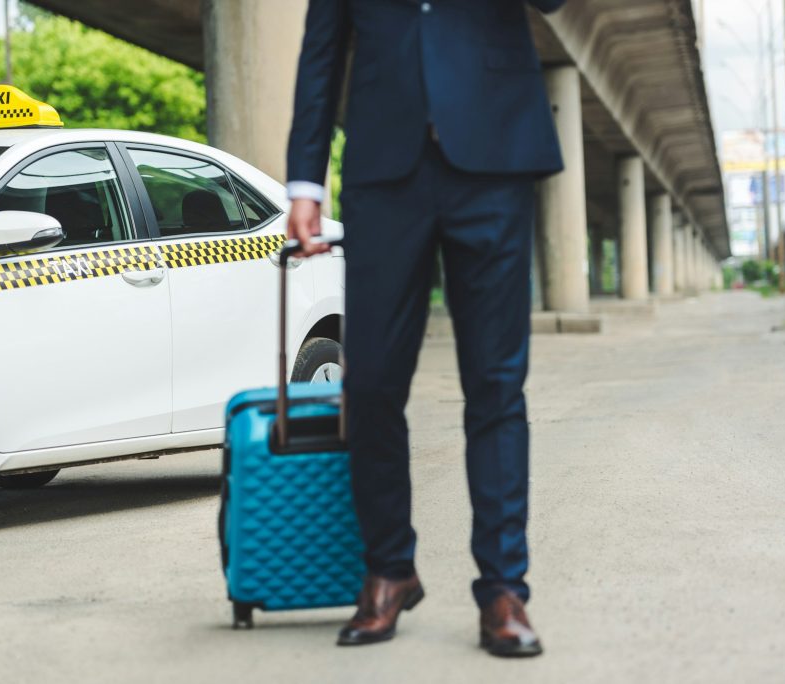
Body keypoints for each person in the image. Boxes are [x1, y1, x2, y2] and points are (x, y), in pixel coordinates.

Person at [285, 0, 568, 657]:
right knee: (374, 379)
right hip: (386, 168)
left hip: (496, 154)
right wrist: (306, 179)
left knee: (496, 385)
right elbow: (322, 49)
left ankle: (503, 589)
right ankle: (389, 566)